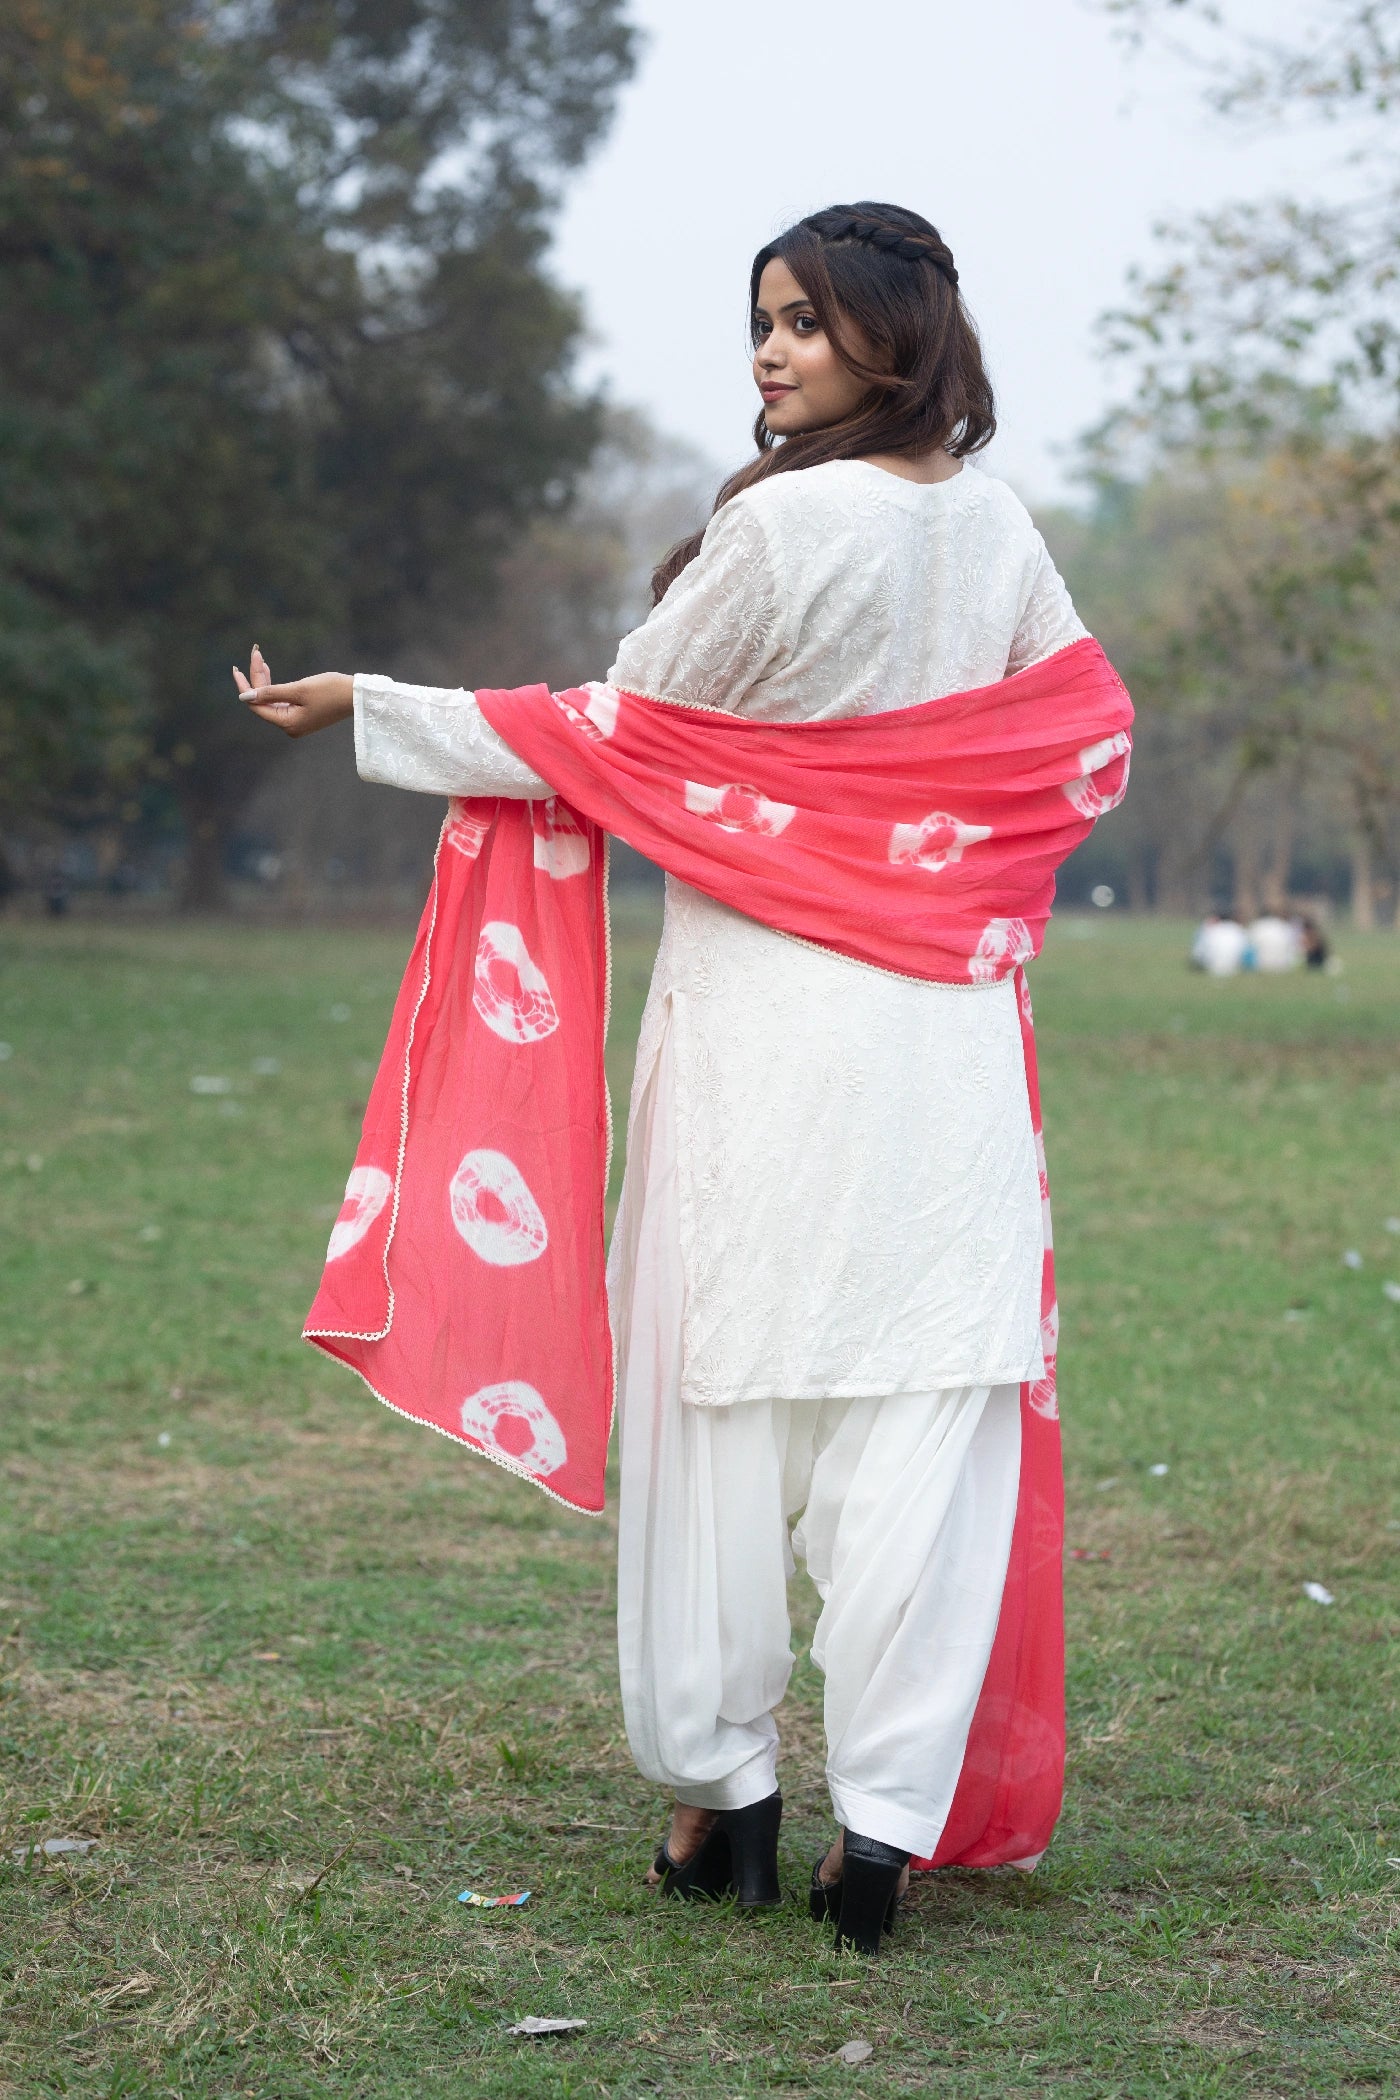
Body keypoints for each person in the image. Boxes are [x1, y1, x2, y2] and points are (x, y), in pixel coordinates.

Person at [234, 203, 1116, 1955]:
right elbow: (1083, 740)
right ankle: (883, 1842)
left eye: (808, 321)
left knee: (719, 1406)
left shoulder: (782, 529)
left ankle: (726, 1802)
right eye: (763, 319)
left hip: (767, 1033)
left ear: (897, 335)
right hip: (942, 1046)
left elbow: (612, 737)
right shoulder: (1002, 529)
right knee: (920, 1417)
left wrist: (372, 708)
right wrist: (933, 858)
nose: (772, 351)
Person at [1191, 910, 1250, 977]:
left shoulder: (1210, 929)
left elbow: (1197, 954)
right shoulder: (1239, 930)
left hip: (1211, 967)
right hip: (1233, 968)